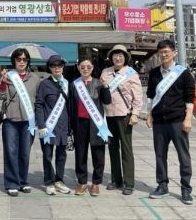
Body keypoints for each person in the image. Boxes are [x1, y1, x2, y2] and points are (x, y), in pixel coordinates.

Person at [146, 39, 195, 205]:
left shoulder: (183, 73)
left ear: (174, 53)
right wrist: (149, 114)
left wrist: (188, 118)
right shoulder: (154, 73)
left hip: (178, 120)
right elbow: (150, 95)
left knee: (183, 155)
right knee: (160, 155)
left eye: (167, 51)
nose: (164, 54)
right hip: (159, 121)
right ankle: (162, 185)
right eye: (161, 52)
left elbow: (189, 97)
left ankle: (186, 189)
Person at [0, 47, 41, 197]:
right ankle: (11, 183)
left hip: (29, 121)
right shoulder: (8, 76)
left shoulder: (35, 79)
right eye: (18, 59)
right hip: (11, 120)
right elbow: (0, 95)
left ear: (28, 61)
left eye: (24, 59)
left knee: (25, 153)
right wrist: (3, 82)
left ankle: (22, 181)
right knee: (11, 152)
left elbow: (38, 99)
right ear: (14, 61)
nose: (22, 62)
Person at [101, 45, 142, 195]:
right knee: (112, 148)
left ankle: (129, 182)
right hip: (109, 114)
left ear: (125, 58)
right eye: (115, 55)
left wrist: (135, 114)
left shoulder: (131, 73)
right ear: (111, 57)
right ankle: (116, 179)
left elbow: (138, 96)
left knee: (126, 148)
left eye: (120, 55)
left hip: (125, 114)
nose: (117, 58)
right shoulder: (106, 72)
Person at [68, 57, 111, 197]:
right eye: (82, 67)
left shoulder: (99, 83)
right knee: (80, 153)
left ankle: (96, 183)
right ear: (78, 68)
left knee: (98, 154)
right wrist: (70, 126)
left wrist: (106, 87)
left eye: (88, 67)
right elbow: (70, 106)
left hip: (96, 124)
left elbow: (107, 101)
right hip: (79, 123)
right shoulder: (74, 84)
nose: (85, 69)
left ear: (92, 68)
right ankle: (82, 182)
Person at [34, 55, 72, 196]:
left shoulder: (67, 84)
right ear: (49, 68)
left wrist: (70, 126)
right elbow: (39, 105)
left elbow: (70, 106)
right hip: (48, 126)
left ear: (63, 67)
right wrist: (41, 125)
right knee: (47, 155)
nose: (57, 68)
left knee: (62, 155)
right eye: (53, 66)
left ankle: (59, 181)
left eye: (59, 65)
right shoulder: (44, 84)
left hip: (63, 126)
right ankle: (49, 182)